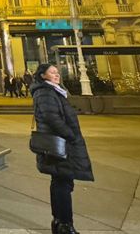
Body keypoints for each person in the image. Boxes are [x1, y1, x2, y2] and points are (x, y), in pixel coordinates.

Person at [30, 63, 94, 234]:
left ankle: (59, 222)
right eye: (52, 72)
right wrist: (70, 135)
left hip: (59, 142)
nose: (57, 75)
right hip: (59, 143)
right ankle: (65, 224)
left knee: (60, 181)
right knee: (63, 183)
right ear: (43, 75)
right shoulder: (45, 92)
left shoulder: (54, 91)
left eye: (57, 72)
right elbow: (52, 117)